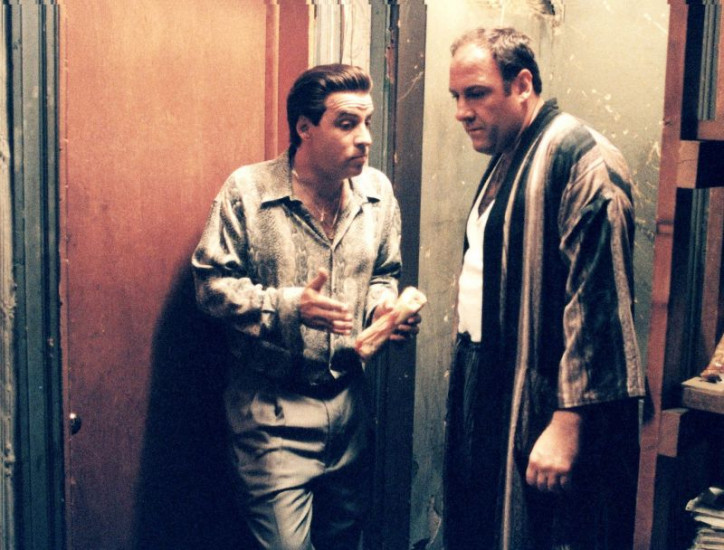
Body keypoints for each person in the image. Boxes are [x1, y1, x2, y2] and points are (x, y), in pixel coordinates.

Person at [191, 64, 420, 550]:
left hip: (349, 406)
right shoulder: (248, 191)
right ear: (304, 127)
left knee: (343, 540)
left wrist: (382, 309)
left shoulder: (377, 194)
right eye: (347, 123)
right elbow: (210, 285)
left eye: (367, 122)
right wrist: (287, 306)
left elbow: (384, 272)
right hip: (272, 411)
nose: (365, 138)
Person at [444, 27, 645, 549]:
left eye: (477, 93)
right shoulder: (510, 155)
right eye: (456, 97)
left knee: (544, 532)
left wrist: (568, 421)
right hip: (489, 377)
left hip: (546, 398)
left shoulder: (580, 158)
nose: (462, 112)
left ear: (523, 84)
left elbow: (599, 300)